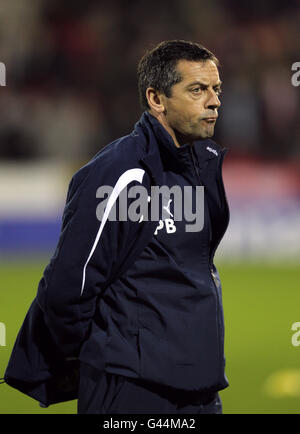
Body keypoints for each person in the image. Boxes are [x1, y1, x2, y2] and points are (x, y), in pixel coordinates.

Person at [4, 40, 230, 414]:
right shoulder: (122, 173)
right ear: (157, 99)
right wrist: (105, 358)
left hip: (199, 388)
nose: (214, 101)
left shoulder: (201, 165)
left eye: (216, 89)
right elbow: (68, 286)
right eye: (198, 90)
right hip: (132, 389)